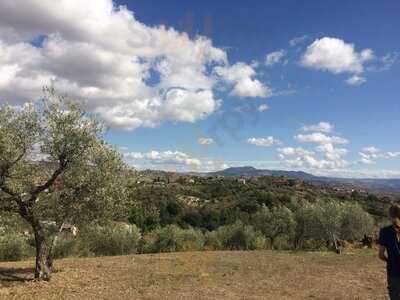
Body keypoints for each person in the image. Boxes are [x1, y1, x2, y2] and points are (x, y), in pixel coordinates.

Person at [378, 203, 400, 300]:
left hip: (393, 271)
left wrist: (389, 260)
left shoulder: (384, 231)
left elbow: (381, 255)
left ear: (389, 215)